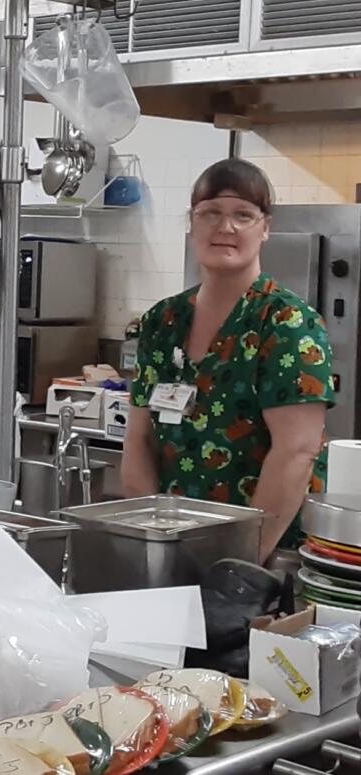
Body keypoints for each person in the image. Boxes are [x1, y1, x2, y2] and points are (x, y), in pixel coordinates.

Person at [123, 159, 334, 561]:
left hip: (267, 557)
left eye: (243, 215)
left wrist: (242, 563)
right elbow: (139, 438)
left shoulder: (286, 323)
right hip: (176, 546)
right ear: (192, 223)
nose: (226, 227)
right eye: (211, 213)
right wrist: (153, 542)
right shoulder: (162, 321)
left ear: (265, 227)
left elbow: (296, 452)